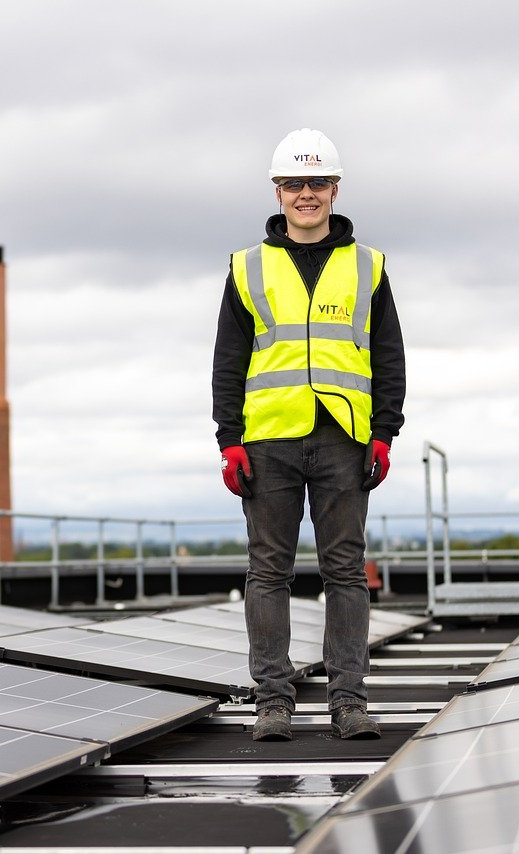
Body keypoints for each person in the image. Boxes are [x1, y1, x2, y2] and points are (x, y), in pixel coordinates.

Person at [212, 128, 405, 741]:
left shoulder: (368, 266)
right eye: (294, 184)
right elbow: (228, 360)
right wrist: (229, 440)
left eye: (316, 183)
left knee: (345, 570)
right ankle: (274, 700)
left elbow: (388, 354)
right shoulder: (247, 267)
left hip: (344, 439)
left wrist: (384, 433)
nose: (305, 194)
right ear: (277, 191)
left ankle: (350, 702)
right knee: (269, 570)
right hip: (268, 440)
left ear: (334, 188)